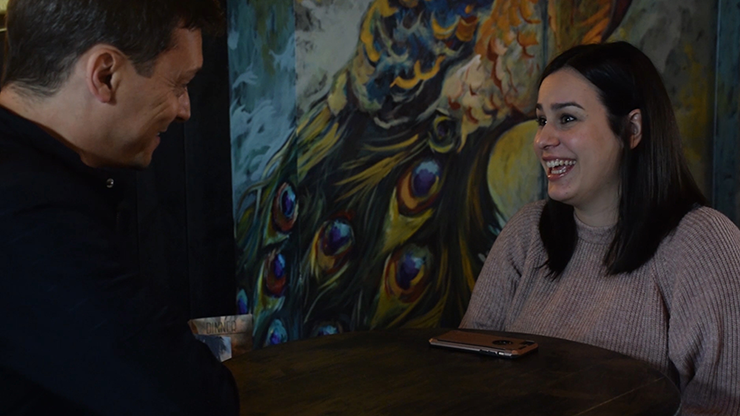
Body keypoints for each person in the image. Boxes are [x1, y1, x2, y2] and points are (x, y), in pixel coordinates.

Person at [461, 41, 740, 415]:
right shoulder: (527, 232)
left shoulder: (703, 242)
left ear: (632, 129)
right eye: (542, 120)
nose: (541, 140)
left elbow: (722, 405)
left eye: (567, 118)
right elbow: (465, 369)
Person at [0, 0, 239, 415]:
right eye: (178, 84)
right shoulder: (29, 218)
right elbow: (197, 401)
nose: (184, 110)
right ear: (105, 74)